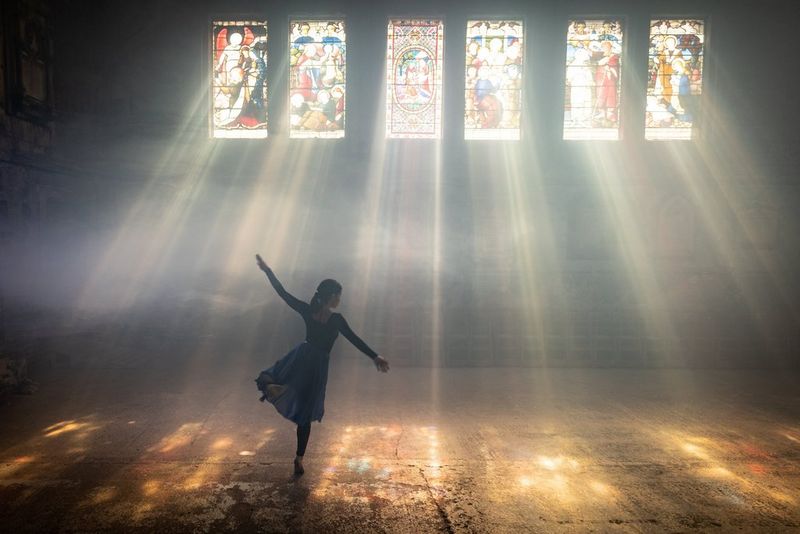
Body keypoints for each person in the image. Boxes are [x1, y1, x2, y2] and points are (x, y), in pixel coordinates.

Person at [253, 254, 389, 476]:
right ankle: (298, 458)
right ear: (333, 297)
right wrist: (374, 356)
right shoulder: (336, 320)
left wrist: (268, 271)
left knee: (284, 382)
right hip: (317, 366)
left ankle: (277, 388)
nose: (339, 300)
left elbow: (283, 294)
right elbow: (354, 339)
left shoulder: (308, 311)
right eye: (339, 296)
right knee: (306, 413)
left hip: (302, 356)